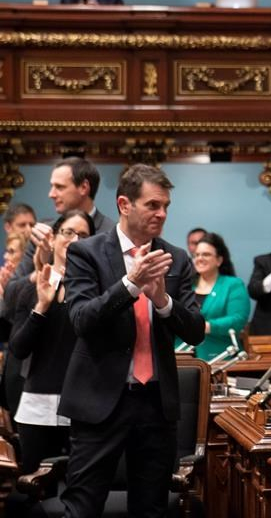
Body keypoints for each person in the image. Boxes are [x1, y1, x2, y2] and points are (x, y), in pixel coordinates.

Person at [59, 164, 205, 516]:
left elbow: (195, 329)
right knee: (82, 507)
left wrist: (162, 301)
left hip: (156, 405)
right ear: (124, 204)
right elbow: (81, 320)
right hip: (99, 402)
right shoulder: (86, 253)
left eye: (166, 206)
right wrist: (129, 285)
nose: (162, 213)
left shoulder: (176, 258)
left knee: (151, 509)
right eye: (153, 205)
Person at [8, 210, 94, 472]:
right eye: (68, 232)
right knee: (35, 491)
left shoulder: (95, 289)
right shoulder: (31, 287)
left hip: (83, 405)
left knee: (80, 490)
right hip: (38, 405)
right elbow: (19, 348)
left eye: (84, 235)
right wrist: (42, 306)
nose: (75, 239)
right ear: (54, 238)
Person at [188, 233, 248, 361]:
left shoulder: (233, 285)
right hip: (185, 358)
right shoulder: (186, 286)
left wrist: (205, 327)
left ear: (219, 260)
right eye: (197, 255)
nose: (200, 258)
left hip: (223, 358)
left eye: (206, 254)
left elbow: (238, 320)